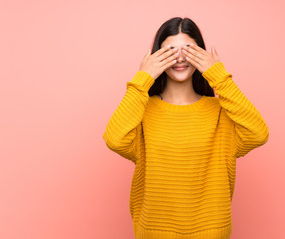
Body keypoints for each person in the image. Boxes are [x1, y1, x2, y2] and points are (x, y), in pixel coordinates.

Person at [103, 17, 269, 239]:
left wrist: (219, 76)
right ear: (155, 57)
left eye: (189, 50)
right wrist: (142, 78)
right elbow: (114, 139)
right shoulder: (142, 110)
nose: (180, 58)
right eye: (170, 51)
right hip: (153, 232)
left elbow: (258, 134)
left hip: (211, 232)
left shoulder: (220, 111)